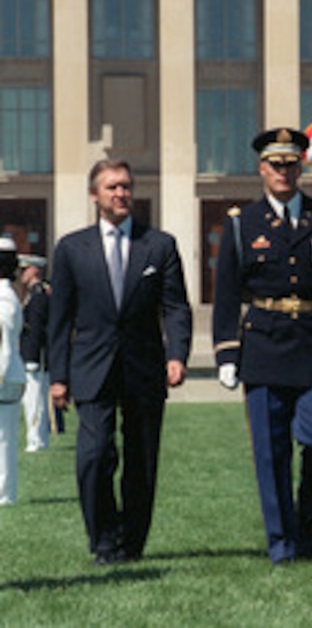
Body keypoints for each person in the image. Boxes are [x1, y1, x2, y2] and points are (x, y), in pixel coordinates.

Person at [212, 128, 312, 565]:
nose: (284, 171)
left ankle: (304, 516)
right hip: (264, 346)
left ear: (302, 168)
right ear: (262, 169)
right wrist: (226, 352)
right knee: (270, 452)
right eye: (275, 164)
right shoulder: (243, 224)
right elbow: (225, 295)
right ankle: (282, 544)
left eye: (291, 164)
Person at [49, 158, 192, 564]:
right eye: (112, 187)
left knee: (141, 462)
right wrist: (58, 376)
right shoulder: (72, 249)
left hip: (145, 369)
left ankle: (131, 543)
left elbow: (176, 306)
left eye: (126, 186)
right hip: (91, 370)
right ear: (95, 196)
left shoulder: (159, 245)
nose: (121, 193)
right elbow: (59, 320)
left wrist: (177, 354)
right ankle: (104, 539)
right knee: (94, 457)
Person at [18, 254, 52, 451]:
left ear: (34, 271)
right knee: (31, 399)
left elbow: (37, 329)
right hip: (30, 354)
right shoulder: (33, 294)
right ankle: (37, 438)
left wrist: (33, 356)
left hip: (35, 356)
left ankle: (36, 440)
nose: (22, 274)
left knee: (35, 399)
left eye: (25, 270)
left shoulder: (38, 295)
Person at [0, 237, 25, 505]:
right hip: (7, 375)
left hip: (4, 376)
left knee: (4, 438)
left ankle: (4, 493)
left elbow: (4, 341)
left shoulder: (4, 297)